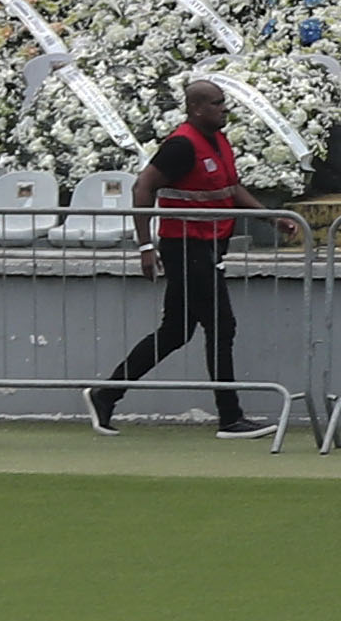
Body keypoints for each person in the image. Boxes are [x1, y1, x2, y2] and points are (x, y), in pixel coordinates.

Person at [90, 72, 264, 437]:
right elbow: (143, 187)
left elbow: (231, 188)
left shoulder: (217, 140)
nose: (223, 108)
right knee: (221, 326)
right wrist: (145, 246)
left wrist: (271, 218)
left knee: (175, 332)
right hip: (186, 247)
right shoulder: (181, 146)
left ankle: (105, 394)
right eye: (216, 103)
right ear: (196, 108)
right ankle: (230, 417)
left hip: (207, 245)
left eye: (222, 102)